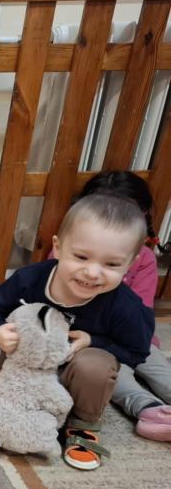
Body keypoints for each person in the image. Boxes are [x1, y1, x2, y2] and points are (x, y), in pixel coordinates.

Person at [0, 193, 155, 470]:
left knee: (93, 366)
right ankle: (42, 414)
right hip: (27, 366)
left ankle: (83, 423)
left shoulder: (126, 307)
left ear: (130, 263)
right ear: (58, 247)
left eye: (112, 264)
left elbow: (137, 352)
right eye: (81, 257)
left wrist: (93, 340)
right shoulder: (31, 278)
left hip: (80, 367)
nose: (92, 273)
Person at [72, 172, 170, 442]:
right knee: (115, 377)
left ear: (143, 216)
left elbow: (141, 311)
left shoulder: (144, 258)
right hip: (91, 340)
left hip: (135, 338)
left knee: (158, 369)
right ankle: (150, 410)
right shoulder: (71, 250)